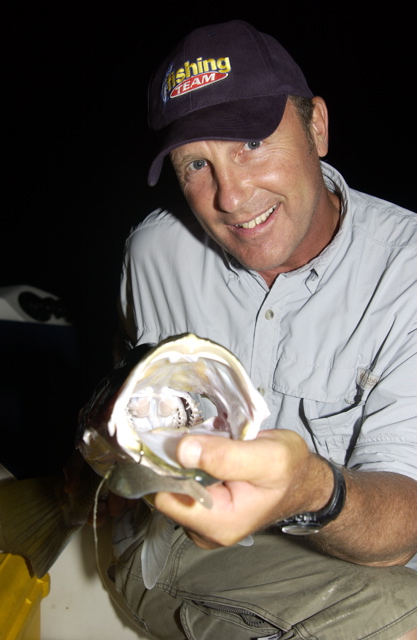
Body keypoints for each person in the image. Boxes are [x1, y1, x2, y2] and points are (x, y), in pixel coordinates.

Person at [110, 20, 417, 640]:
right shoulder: (153, 254)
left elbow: (405, 522)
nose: (231, 194)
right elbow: (121, 393)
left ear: (317, 126)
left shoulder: (407, 270)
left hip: (367, 557)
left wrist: (310, 489)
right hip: (179, 543)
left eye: (250, 143)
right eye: (196, 163)